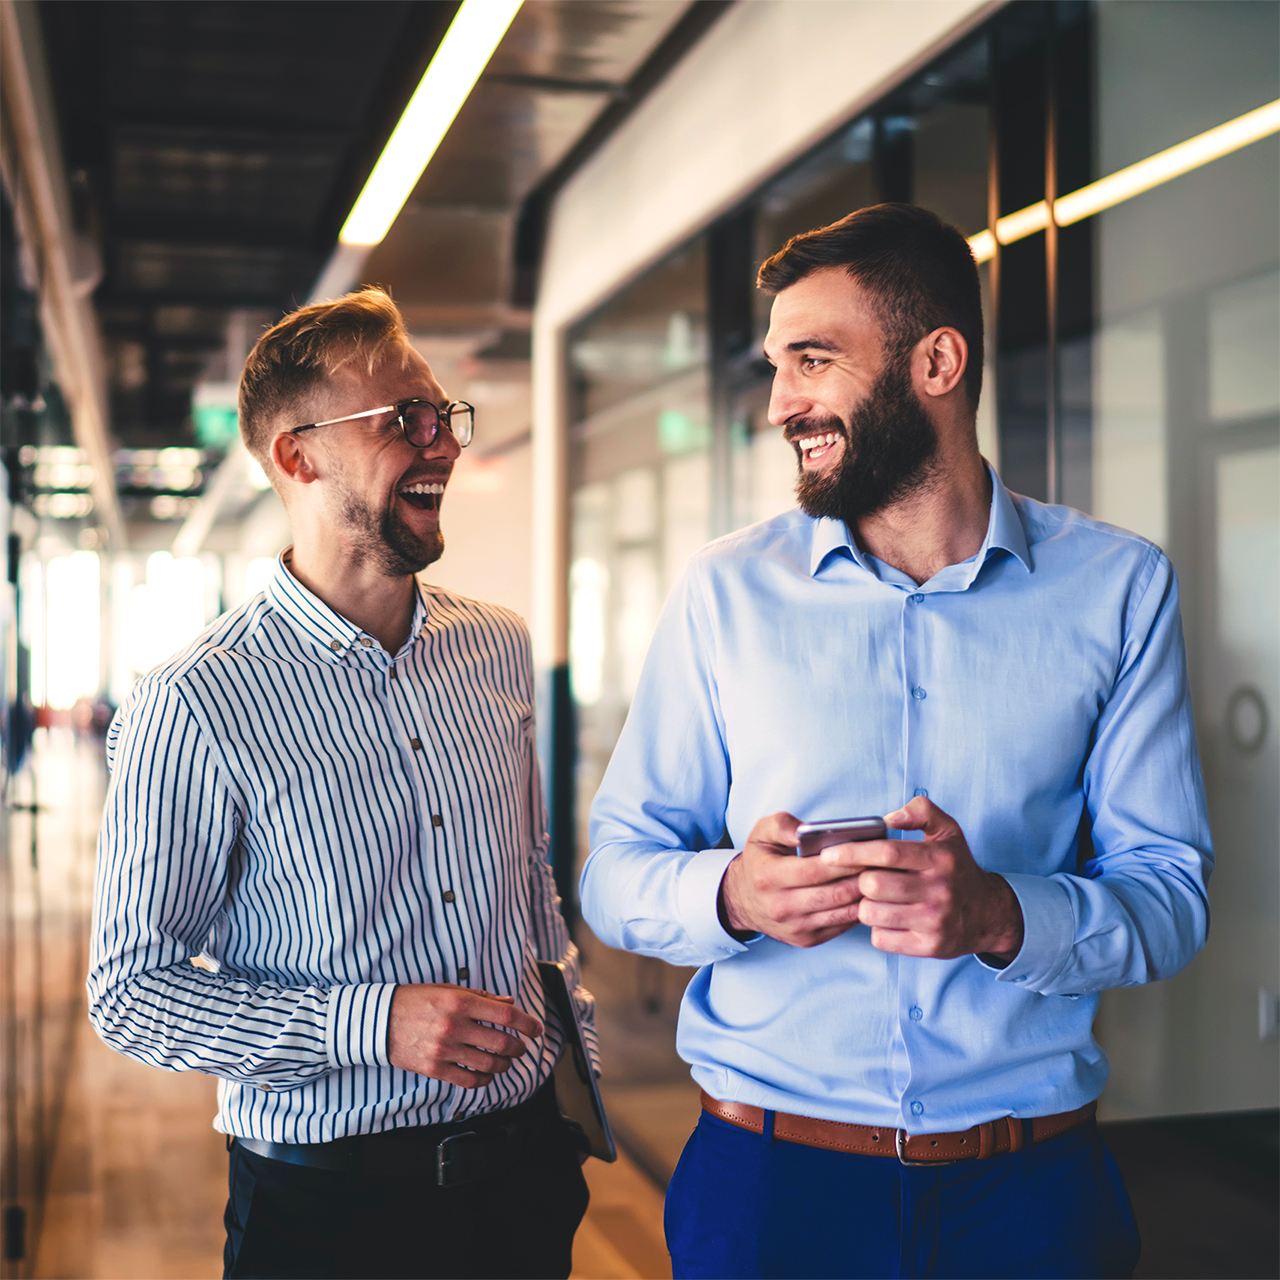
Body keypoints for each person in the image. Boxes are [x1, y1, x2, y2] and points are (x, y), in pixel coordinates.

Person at [582, 204, 1211, 1280]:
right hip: (768, 1186)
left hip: (1028, 1195)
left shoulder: (1118, 588)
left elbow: (1172, 895)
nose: (782, 402)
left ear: (936, 360)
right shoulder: (725, 593)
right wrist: (733, 895)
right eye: (778, 366)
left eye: (813, 360)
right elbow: (615, 873)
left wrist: (997, 912)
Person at [89, 288, 594, 1280]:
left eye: (443, 413)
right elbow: (130, 993)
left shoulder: (495, 644)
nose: (439, 440)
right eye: (400, 419)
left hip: (525, 1178)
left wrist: (572, 1079)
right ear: (296, 454)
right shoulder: (194, 700)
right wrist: (372, 1020)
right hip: (329, 1212)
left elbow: (528, 878)